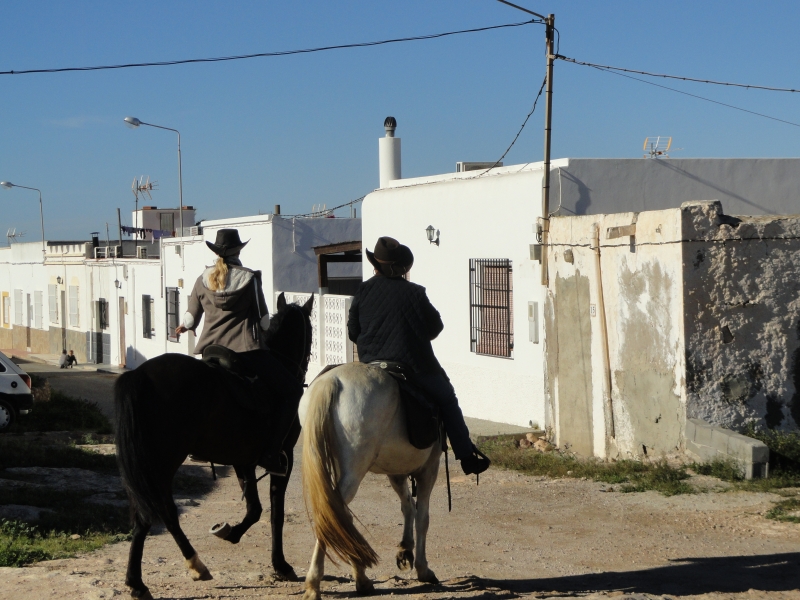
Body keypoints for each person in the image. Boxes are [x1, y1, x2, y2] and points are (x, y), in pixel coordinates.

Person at [347, 236, 491, 475]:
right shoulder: (415, 293)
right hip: (412, 366)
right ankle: (466, 456)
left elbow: (353, 331)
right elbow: (436, 327)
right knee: (447, 397)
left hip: (371, 365)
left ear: (376, 265)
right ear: (401, 267)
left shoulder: (362, 291)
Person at [175, 228, 303, 476]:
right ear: (238, 250)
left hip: (211, 350)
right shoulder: (250, 279)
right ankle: (271, 452)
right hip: (246, 351)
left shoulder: (202, 279)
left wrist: (184, 327)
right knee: (292, 390)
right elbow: (265, 322)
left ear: (216, 252)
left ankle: (201, 446)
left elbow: (190, 317)